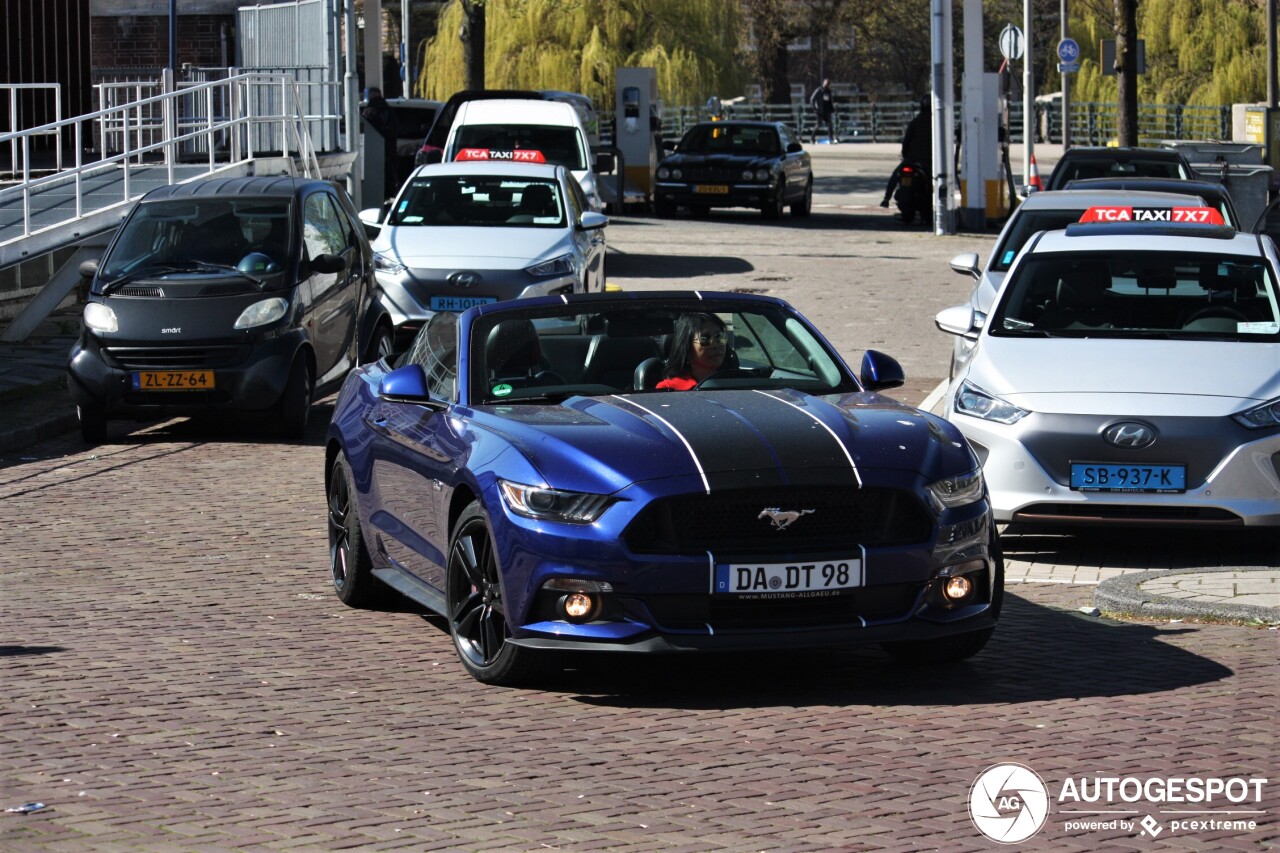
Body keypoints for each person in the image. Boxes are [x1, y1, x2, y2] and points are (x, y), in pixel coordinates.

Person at [881, 95, 932, 207]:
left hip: (911, 158)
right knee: (933, 179)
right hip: (928, 159)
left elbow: (906, 140)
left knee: (896, 175)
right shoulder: (935, 123)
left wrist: (905, 154)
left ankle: (886, 198)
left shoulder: (915, 122)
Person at [657, 312, 728, 391]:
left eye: (719, 336)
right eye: (704, 339)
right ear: (687, 347)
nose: (715, 345)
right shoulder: (669, 388)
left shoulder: (737, 381)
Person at [361, 87, 400, 200]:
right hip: (390, 151)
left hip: (373, 154)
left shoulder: (368, 112)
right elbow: (395, 129)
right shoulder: (390, 111)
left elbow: (366, 131)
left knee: (377, 179)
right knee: (390, 177)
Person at [809, 78, 836, 144]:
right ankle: (812, 138)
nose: (827, 84)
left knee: (830, 125)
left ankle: (831, 139)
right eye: (826, 83)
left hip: (827, 110)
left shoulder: (829, 91)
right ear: (824, 83)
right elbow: (812, 99)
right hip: (820, 110)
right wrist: (814, 108)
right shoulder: (819, 90)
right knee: (818, 125)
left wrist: (832, 109)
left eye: (828, 83)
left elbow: (830, 101)